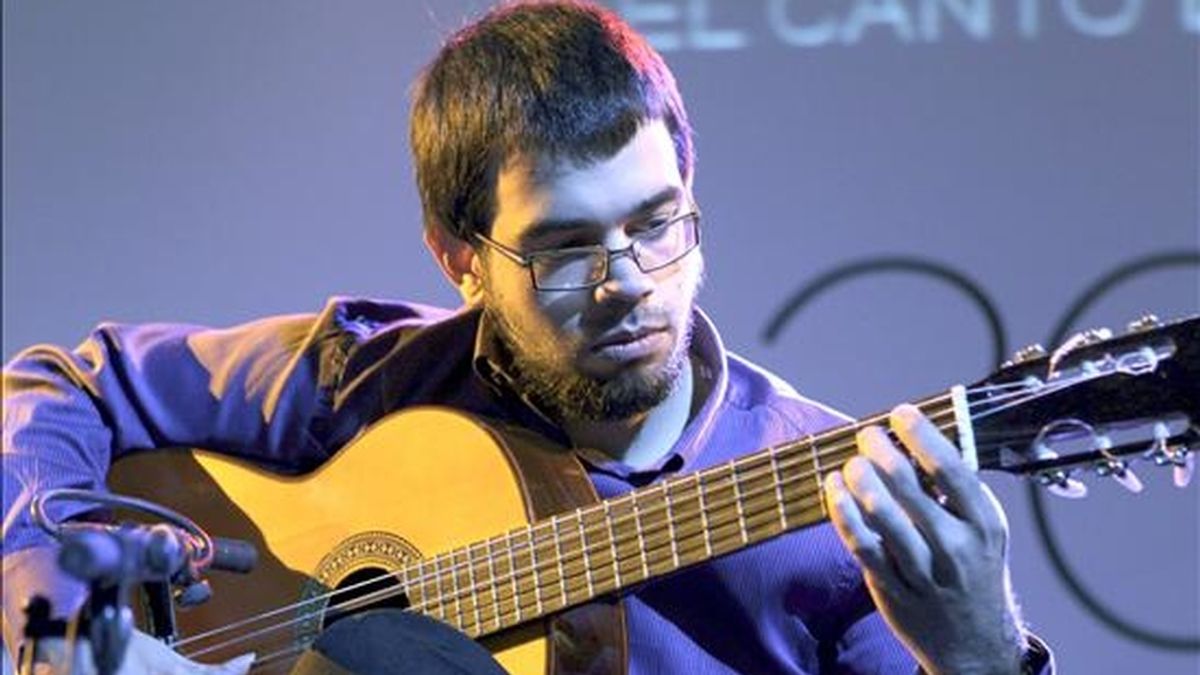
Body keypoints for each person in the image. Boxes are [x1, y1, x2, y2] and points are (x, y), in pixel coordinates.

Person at [2, 1, 1053, 673]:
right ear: (459, 257)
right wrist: (31, 568)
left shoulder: (835, 514)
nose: (627, 285)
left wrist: (983, 655)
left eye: (657, 225)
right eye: (563, 249)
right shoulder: (369, 374)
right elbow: (61, 383)